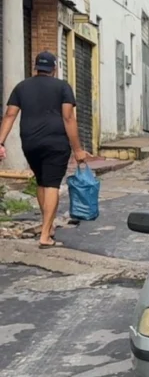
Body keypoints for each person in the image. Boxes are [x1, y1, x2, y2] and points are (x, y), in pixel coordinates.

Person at [0, 51, 90, 248]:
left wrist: (1, 142)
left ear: (35, 67)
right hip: (56, 143)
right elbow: (68, 118)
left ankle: (47, 227)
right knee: (52, 185)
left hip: (30, 142)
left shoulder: (21, 87)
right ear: (54, 68)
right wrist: (78, 149)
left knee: (41, 182)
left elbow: (9, 115)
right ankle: (45, 236)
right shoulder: (63, 87)